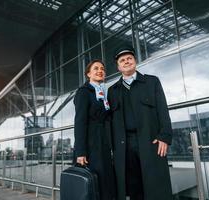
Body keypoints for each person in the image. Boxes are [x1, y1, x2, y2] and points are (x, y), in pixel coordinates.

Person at [108, 46, 173, 200]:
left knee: (155, 184)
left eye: (129, 58)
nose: (126, 61)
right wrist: (111, 147)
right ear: (118, 67)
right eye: (122, 60)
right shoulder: (112, 90)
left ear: (135, 61)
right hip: (125, 146)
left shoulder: (152, 82)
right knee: (134, 186)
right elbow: (109, 121)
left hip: (151, 140)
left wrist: (165, 136)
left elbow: (163, 110)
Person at [74, 59, 116, 200]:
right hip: (91, 146)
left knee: (106, 182)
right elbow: (80, 122)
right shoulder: (84, 92)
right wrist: (81, 152)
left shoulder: (103, 93)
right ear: (88, 74)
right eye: (96, 68)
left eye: (102, 69)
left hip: (104, 143)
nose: (100, 71)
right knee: (95, 184)